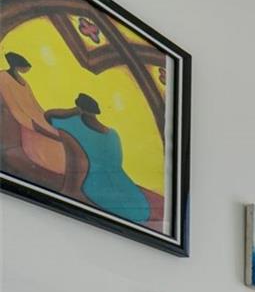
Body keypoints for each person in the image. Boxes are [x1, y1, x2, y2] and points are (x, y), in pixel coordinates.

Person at [44, 93, 150, 223]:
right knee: (138, 210)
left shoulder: (69, 124)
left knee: (134, 211)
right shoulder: (112, 134)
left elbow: (48, 115)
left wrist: (73, 111)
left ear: (80, 109)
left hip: (96, 182)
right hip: (115, 182)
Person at [0, 52, 67, 190]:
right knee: (51, 145)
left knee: (59, 139)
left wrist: (47, 122)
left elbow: (35, 105)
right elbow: (15, 109)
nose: (27, 68)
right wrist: (36, 127)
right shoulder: (3, 77)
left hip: (35, 119)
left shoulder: (24, 82)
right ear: (17, 65)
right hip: (25, 124)